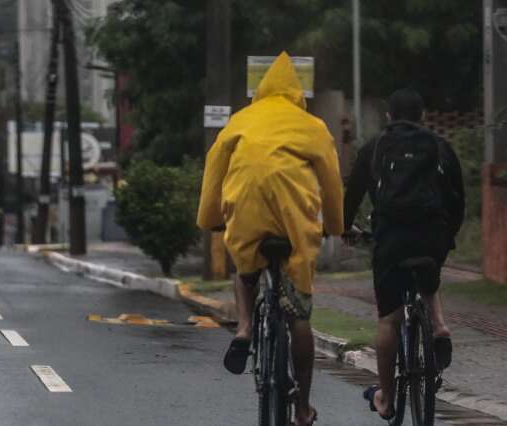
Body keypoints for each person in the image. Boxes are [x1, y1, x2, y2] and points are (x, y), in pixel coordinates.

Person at [197, 52, 344, 426]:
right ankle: (302, 406)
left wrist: (211, 219)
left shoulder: (240, 120)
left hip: (247, 213)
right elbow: (330, 182)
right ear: (298, 93)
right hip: (294, 220)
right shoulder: (311, 125)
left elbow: (215, 169)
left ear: (259, 92)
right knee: (298, 315)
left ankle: (245, 326)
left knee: (245, 269)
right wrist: (336, 226)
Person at [342, 88, 465, 420]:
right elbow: (458, 198)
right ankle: (438, 325)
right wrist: (447, 236)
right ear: (423, 116)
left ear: (388, 118)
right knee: (428, 271)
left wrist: (344, 228)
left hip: (391, 239)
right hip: (432, 238)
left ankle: (386, 397)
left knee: (389, 320)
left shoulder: (376, 147)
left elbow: (352, 195)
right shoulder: (440, 147)